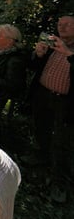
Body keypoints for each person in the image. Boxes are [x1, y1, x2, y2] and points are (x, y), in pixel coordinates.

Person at [27, 14, 74, 202]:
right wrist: (37, 54)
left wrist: (69, 55)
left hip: (66, 101)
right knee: (41, 129)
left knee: (63, 141)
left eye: (67, 24)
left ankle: (60, 182)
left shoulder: (66, 49)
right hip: (43, 94)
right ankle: (41, 159)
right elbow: (33, 66)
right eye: (59, 23)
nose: (61, 27)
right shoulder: (54, 44)